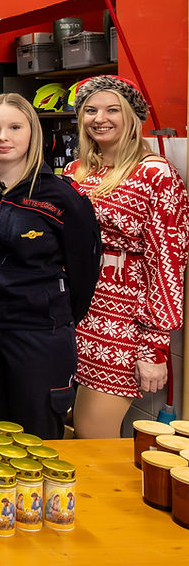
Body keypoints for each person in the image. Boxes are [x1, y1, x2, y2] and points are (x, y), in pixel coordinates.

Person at [0, 93, 101, 439]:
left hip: (40, 335)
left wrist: (50, 313)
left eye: (14, 127)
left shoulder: (63, 197)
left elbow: (84, 275)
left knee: (36, 435)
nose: (3, 137)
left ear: (32, 133)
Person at [63, 75, 189, 438]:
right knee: (68, 426)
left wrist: (154, 349)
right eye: (90, 110)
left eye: (112, 109)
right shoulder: (77, 171)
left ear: (133, 116)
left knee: (93, 434)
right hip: (75, 317)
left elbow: (167, 264)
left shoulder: (157, 175)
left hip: (122, 326)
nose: (99, 118)